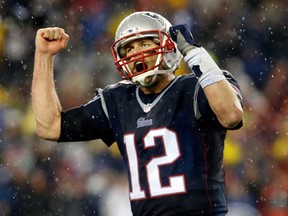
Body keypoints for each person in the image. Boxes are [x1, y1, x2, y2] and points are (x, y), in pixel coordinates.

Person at [31, 11, 243, 216]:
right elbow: (49, 126)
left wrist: (194, 52)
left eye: (144, 44)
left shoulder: (197, 86)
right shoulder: (118, 99)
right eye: (128, 48)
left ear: (169, 47)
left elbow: (231, 115)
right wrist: (43, 55)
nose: (136, 54)